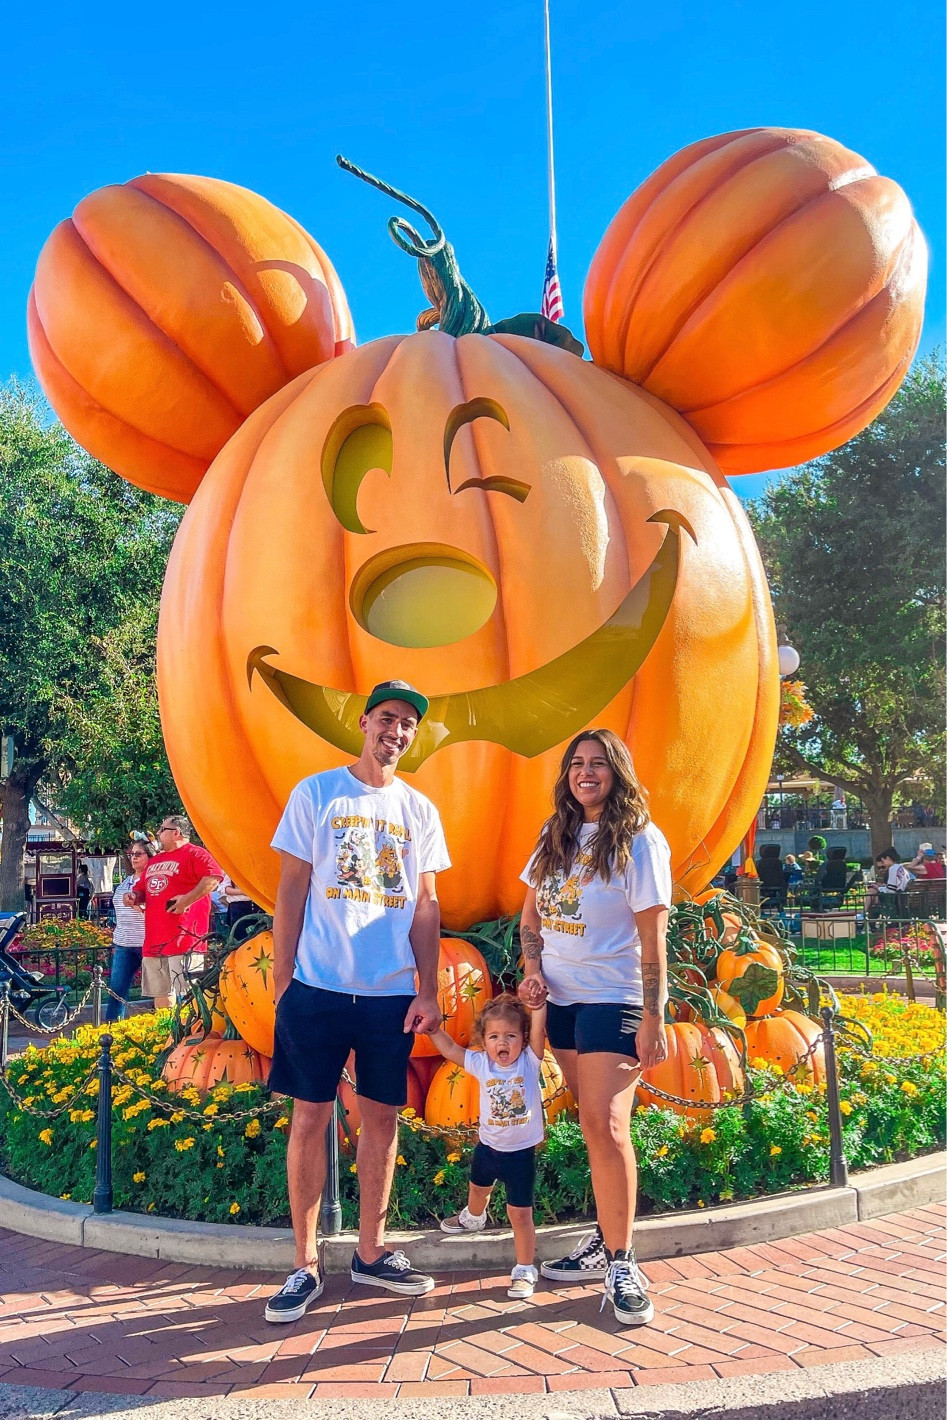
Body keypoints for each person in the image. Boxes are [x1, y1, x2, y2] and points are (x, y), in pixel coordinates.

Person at [263, 680, 451, 1325]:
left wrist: (428, 988)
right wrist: (284, 978)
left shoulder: (420, 810)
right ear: (365, 722)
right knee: (310, 1118)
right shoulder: (316, 792)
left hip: (389, 994)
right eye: (388, 719)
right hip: (316, 987)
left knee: (382, 1120)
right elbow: (291, 888)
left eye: (407, 724)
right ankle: (304, 1264)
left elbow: (426, 906)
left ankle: (370, 1252)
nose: (396, 732)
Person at [518, 728, 670, 1327]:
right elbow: (531, 911)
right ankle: (605, 1240)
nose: (587, 773)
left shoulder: (639, 841)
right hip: (564, 1003)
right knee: (591, 1128)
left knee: (606, 1127)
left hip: (616, 998)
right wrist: (532, 969)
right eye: (577, 763)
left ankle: (623, 1262)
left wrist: (655, 1014)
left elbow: (653, 933)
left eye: (599, 764)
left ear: (618, 772)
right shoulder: (554, 834)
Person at [435, 992, 547, 1299]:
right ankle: (474, 1218)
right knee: (478, 1189)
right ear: (484, 1041)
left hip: (521, 1155)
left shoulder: (530, 1060)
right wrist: (433, 1029)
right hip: (488, 1148)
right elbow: (450, 1050)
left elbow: (539, 1030)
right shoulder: (481, 1064)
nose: (503, 1043)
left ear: (523, 1039)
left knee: (520, 1214)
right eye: (494, 1036)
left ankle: (525, 1268)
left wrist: (538, 1008)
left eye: (510, 1036)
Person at [124, 815, 222, 1010]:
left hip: (185, 939)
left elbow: (213, 877)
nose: (158, 833)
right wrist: (134, 896)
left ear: (176, 832)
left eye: (162, 829)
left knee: (189, 997)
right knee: (160, 996)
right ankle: (168, 1036)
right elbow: (144, 889)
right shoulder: (155, 860)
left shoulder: (196, 854)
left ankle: (189, 1035)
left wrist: (187, 899)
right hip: (154, 940)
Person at [105, 839, 154, 1023]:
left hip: (147, 942)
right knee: (117, 989)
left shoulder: (153, 880)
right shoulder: (127, 880)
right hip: (124, 943)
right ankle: (111, 1030)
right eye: (131, 854)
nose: (133, 857)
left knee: (159, 989)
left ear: (150, 855)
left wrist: (140, 908)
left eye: (138, 854)